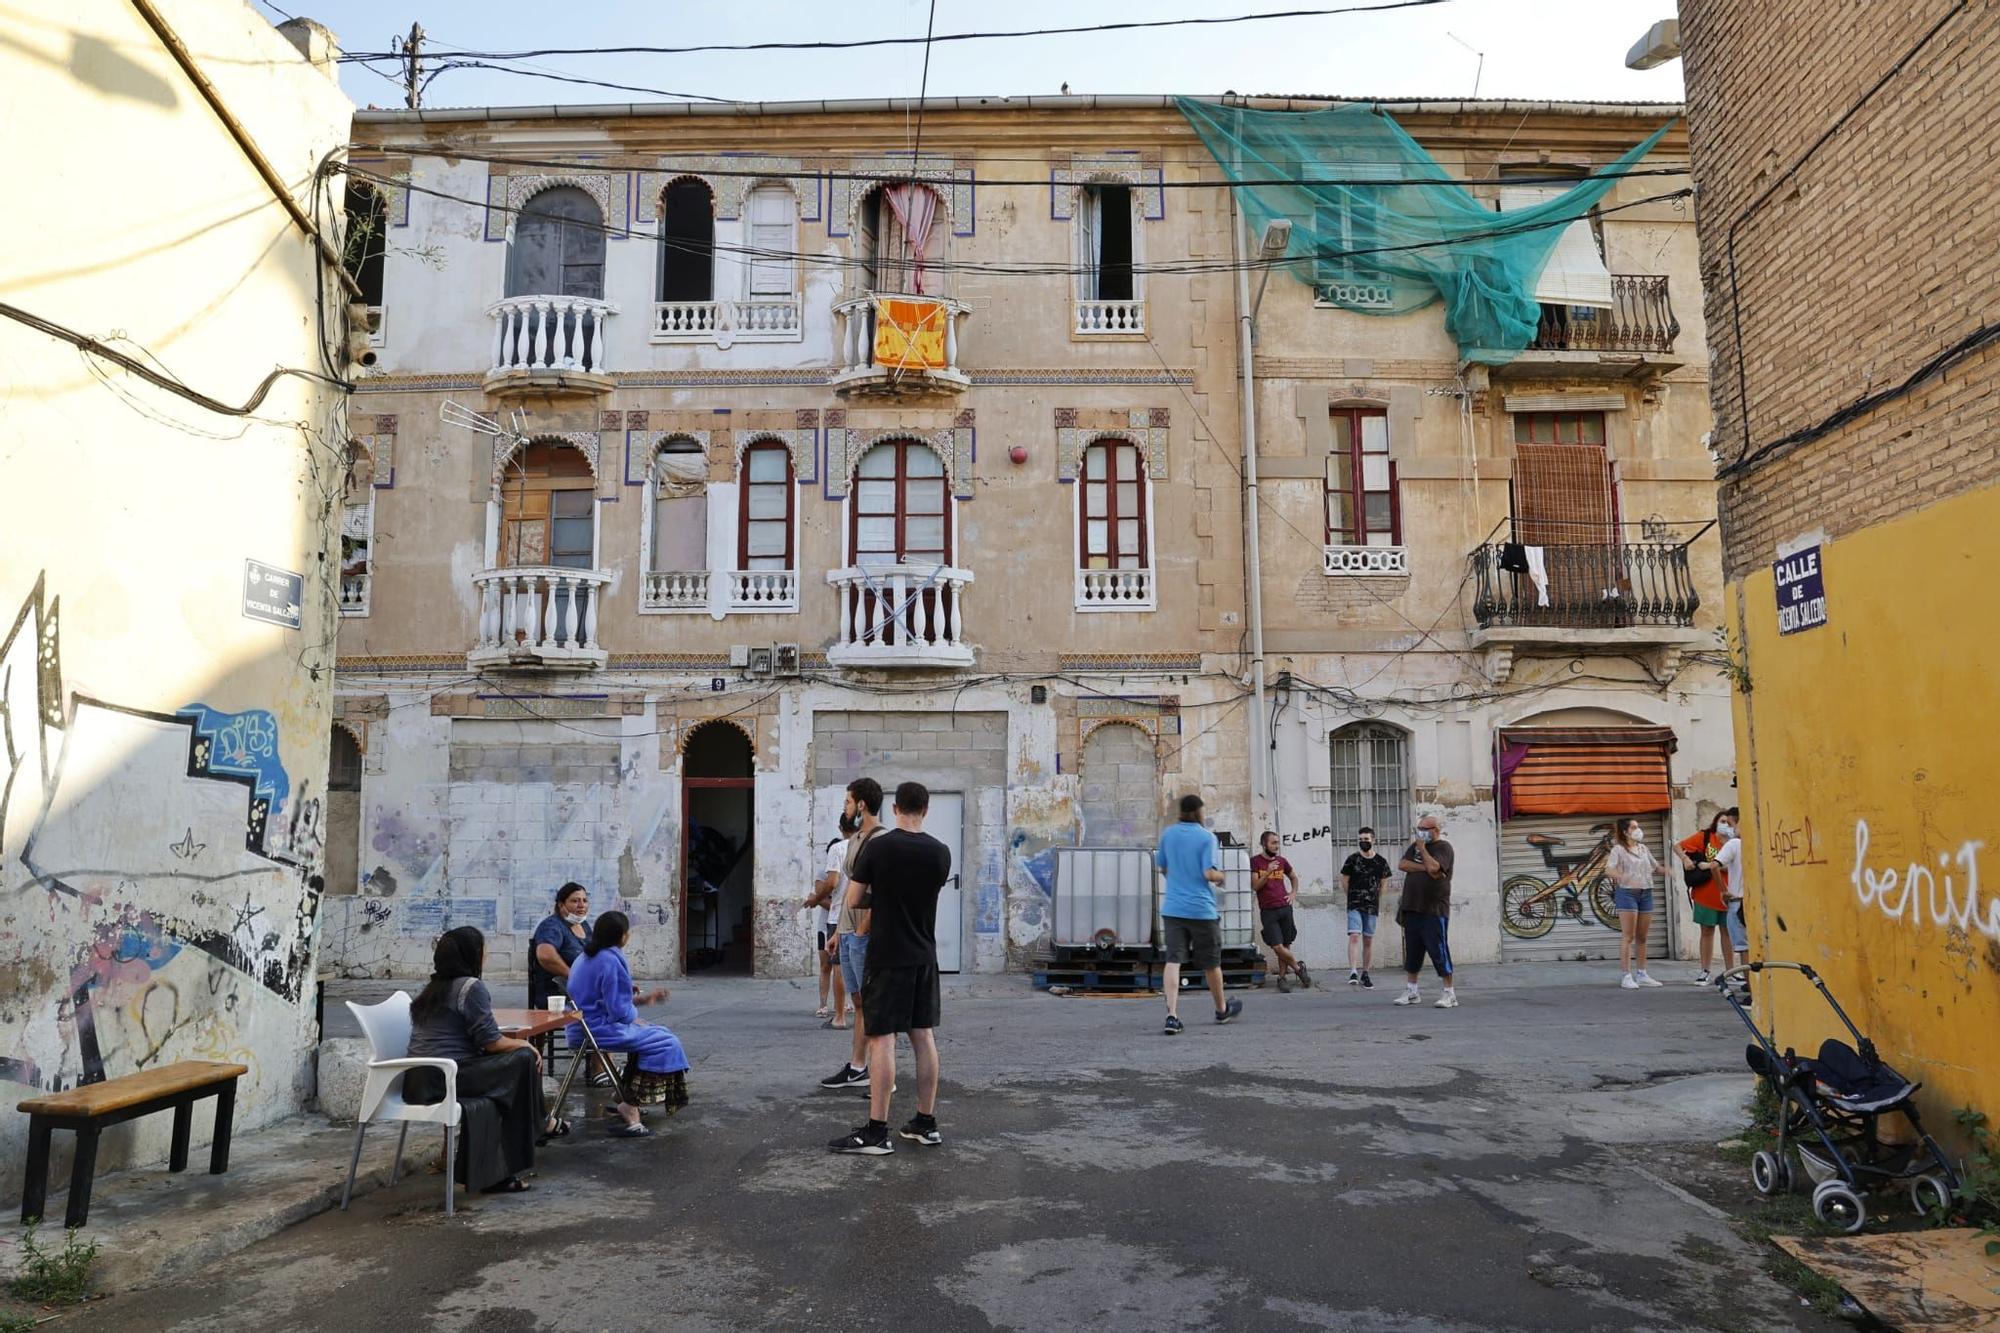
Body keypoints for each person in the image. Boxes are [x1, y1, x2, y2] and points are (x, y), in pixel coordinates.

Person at [828, 781, 953, 1155]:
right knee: (923, 1037)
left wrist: (880, 893)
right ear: (926, 810)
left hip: (887, 956)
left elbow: (854, 899)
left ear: (896, 808)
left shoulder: (879, 847)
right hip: (924, 957)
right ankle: (925, 1123)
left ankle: (877, 1131)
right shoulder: (941, 853)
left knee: (882, 1039)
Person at [405, 926, 566, 1195]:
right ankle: (541, 1123)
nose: (487, 954)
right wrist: (524, 1043)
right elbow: (492, 1043)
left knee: (499, 1094)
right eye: (484, 950)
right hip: (445, 1077)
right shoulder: (471, 987)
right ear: (473, 955)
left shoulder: (435, 988)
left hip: (420, 1078)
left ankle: (503, 1170)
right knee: (525, 1059)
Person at [565, 911, 689, 1137]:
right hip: (596, 1029)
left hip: (581, 1027)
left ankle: (625, 1094)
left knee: (656, 1032)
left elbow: (606, 1000)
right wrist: (633, 1016)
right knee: (666, 1042)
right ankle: (630, 1103)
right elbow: (619, 1010)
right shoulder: (611, 960)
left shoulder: (586, 956)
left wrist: (641, 1001)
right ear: (622, 936)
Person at [1155, 793, 1242, 1035]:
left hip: (1173, 908)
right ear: (1199, 812)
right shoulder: (1206, 837)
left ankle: (1172, 1015)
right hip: (1201, 910)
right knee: (1212, 963)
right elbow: (1208, 873)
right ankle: (1221, 1009)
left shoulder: (1167, 835)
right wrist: (1222, 876)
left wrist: (1178, 881)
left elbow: (1163, 867)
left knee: (1173, 960)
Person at [819, 778, 885, 1092]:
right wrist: (841, 930)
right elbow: (850, 892)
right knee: (858, 1001)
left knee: (870, 1002)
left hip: (863, 933)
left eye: (848, 801)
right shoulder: (856, 838)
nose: (844, 807)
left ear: (860, 804)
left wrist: (861, 930)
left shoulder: (880, 839)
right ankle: (858, 1067)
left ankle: (882, 1072)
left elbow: (883, 892)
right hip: (847, 931)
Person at [527, 881, 616, 1089]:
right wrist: (575, 977)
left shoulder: (583, 926)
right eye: (575, 901)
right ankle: (599, 1068)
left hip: (581, 991)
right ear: (561, 904)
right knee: (604, 1006)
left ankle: (603, 1063)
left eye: (584, 900)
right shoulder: (552, 926)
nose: (581, 905)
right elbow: (545, 955)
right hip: (557, 993)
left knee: (612, 998)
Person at [1394, 814, 1457, 1009]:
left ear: (1435, 830)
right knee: (1413, 952)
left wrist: (1423, 851)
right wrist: (1424, 867)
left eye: (1424, 828)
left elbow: (1436, 869)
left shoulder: (1444, 848)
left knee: (1438, 950)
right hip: (1412, 906)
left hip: (1433, 908)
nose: (1420, 832)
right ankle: (1412, 990)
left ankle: (1449, 993)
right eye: (1418, 828)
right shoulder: (1414, 847)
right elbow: (1403, 864)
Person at [1677, 808, 1739, 984]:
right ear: (1716, 822)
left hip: (1729, 893)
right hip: (1705, 893)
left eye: (1729, 822)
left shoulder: (1736, 842)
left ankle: (1732, 971)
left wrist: (1714, 866)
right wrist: (1685, 859)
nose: (1725, 825)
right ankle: (1705, 970)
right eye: (1722, 821)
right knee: (1707, 931)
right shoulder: (1705, 837)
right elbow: (1678, 846)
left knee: (1728, 933)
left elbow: (1733, 865)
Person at [1608, 817, 1667, 989]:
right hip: (1627, 893)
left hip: (1646, 892)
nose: (1638, 829)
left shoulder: (1643, 848)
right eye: (1634, 827)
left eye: (1638, 826)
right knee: (1628, 936)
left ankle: (1642, 974)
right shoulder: (1618, 850)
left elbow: (1655, 866)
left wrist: (1667, 870)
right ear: (1625, 832)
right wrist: (1622, 876)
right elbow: (1609, 869)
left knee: (1642, 937)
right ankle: (1626, 975)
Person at [809, 817, 855, 1026]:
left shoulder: (838, 849)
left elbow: (832, 883)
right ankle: (860, 1010)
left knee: (838, 965)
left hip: (838, 917)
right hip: (863, 914)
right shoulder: (870, 846)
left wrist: (816, 899)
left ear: (840, 828)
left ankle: (840, 1016)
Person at [1251, 832, 1310, 992]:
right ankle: (1298, 968)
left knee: (1286, 944)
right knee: (1277, 946)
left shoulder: (1282, 861)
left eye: (1277, 843)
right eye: (1273, 843)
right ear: (1264, 844)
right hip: (1268, 910)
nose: (1276, 846)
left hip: (1285, 908)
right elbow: (1255, 886)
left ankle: (1282, 978)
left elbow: (1293, 877)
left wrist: (1293, 893)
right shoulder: (1255, 862)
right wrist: (1268, 871)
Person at [1341, 827, 1390, 988]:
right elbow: (1344, 880)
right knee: (1354, 936)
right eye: (1361, 839)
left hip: (1371, 906)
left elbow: (1384, 883)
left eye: (1366, 839)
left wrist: (1376, 899)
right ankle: (1353, 971)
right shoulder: (1352, 859)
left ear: (1373, 840)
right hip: (1354, 904)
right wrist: (1352, 897)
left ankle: (1366, 973)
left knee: (1368, 939)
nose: (1363, 842)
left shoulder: (1381, 862)